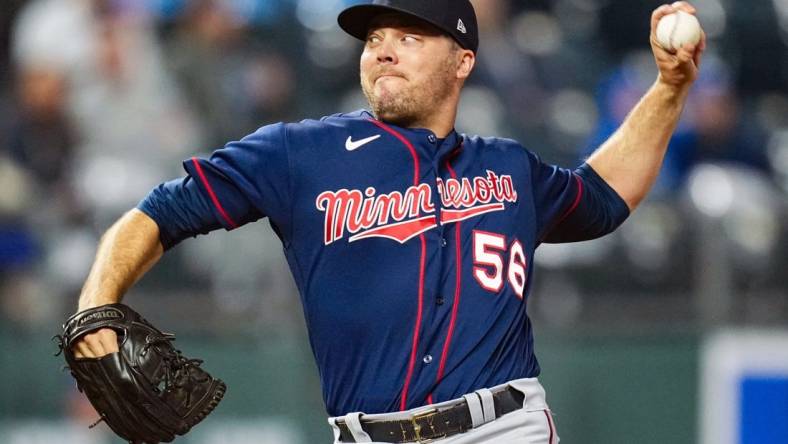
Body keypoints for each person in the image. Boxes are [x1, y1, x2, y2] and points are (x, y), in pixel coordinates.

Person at [69, 0, 706, 442]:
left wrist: (671, 88)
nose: (383, 51)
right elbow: (158, 212)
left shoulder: (510, 169)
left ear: (462, 61)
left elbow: (600, 198)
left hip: (503, 429)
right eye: (375, 38)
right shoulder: (299, 153)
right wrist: (96, 302)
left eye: (409, 36)